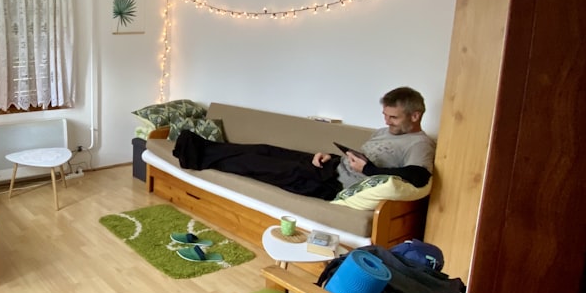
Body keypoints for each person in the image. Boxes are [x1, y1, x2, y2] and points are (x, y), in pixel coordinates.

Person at [172, 86, 436, 200]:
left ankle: (197, 154)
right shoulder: (383, 131)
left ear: (415, 115)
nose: (387, 122)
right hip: (328, 166)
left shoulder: (419, 144)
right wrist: (330, 157)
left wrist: (368, 171)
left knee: (252, 163)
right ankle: (197, 145)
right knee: (264, 149)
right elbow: (361, 159)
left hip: (329, 186)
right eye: (385, 116)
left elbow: (418, 177)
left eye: (394, 117)